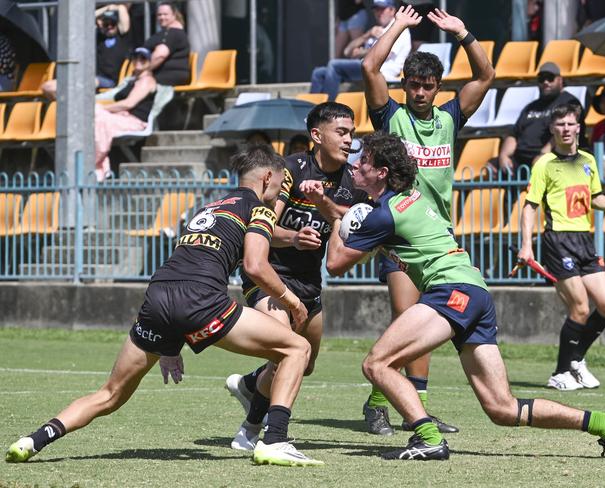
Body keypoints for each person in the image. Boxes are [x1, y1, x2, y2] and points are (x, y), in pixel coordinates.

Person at [326, 130, 605, 461]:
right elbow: (377, 226)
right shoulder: (411, 198)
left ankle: (427, 437)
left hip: (451, 290)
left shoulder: (383, 215)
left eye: (365, 161)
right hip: (475, 291)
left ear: (382, 173)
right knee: (502, 408)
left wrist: (335, 219)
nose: (356, 164)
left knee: (377, 363)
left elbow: (335, 264)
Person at [5, 145, 323, 467]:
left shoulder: (209, 209)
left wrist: (170, 345)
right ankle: (275, 440)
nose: (280, 194)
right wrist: (293, 302)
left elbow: (210, 252)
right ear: (268, 177)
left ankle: (34, 439)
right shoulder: (258, 208)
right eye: (282, 184)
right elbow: (255, 265)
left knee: (110, 394)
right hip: (201, 300)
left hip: (158, 297)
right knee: (296, 349)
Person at [359, 5, 494, 435]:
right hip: (399, 236)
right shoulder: (390, 116)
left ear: (437, 88)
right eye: (414, 85)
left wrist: (464, 33)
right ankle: (381, 405)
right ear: (405, 84)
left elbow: (486, 76)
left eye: (428, 87)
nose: (420, 93)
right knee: (409, 317)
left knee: (427, 326)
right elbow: (368, 65)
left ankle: (412, 407)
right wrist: (399, 26)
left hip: (439, 239)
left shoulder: (449, 119)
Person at [223, 102, 368, 451]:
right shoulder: (291, 170)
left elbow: (353, 226)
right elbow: (261, 227)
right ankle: (257, 433)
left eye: (352, 133)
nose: (350, 140)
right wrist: (294, 237)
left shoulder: (353, 182)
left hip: (309, 283)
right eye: (342, 132)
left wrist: (329, 212)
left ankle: (251, 384)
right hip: (269, 275)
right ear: (316, 136)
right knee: (287, 352)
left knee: (306, 363)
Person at [518, 104, 605, 391]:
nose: (565, 129)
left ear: (578, 128)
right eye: (559, 124)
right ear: (552, 129)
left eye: (570, 124)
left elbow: (595, 197)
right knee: (581, 308)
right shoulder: (544, 164)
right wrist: (527, 245)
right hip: (558, 240)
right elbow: (530, 206)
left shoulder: (587, 160)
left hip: (583, 241)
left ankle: (577, 359)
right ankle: (560, 372)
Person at [310, 0, 411, 101]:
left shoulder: (399, 29)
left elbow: (386, 55)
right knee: (318, 73)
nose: (378, 13)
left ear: (392, 10)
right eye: (376, 9)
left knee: (334, 65)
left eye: (382, 9)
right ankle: (311, 113)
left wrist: (362, 52)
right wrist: (366, 35)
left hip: (381, 71)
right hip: (365, 67)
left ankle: (328, 110)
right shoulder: (375, 30)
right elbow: (347, 51)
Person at [497, 62, 585, 176]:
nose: (545, 82)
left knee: (540, 165)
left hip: (552, 156)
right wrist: (503, 156)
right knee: (491, 167)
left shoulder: (568, 102)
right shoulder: (531, 107)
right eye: (541, 79)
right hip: (520, 159)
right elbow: (514, 133)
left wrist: (544, 154)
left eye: (550, 78)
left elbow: (565, 130)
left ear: (560, 80)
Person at [94, 47, 157, 181]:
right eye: (135, 57)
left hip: (135, 121)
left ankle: (96, 164)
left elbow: (129, 104)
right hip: (122, 117)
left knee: (99, 117)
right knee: (95, 116)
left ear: (150, 62)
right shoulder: (131, 80)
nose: (138, 61)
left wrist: (103, 108)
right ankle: (102, 168)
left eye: (143, 58)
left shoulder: (147, 81)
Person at [41, 6, 131, 99]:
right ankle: (65, 108)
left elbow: (122, 8)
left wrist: (114, 6)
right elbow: (85, 18)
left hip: (109, 81)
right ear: (100, 24)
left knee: (86, 82)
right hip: (90, 78)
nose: (109, 26)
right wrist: (106, 8)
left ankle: (72, 107)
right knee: (47, 87)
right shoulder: (99, 37)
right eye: (106, 24)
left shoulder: (122, 37)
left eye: (112, 23)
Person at [143, 2, 190, 86]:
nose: (162, 17)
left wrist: (144, 71)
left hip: (169, 76)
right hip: (161, 75)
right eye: (159, 15)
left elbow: (160, 55)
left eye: (165, 14)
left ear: (174, 15)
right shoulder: (165, 33)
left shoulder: (174, 33)